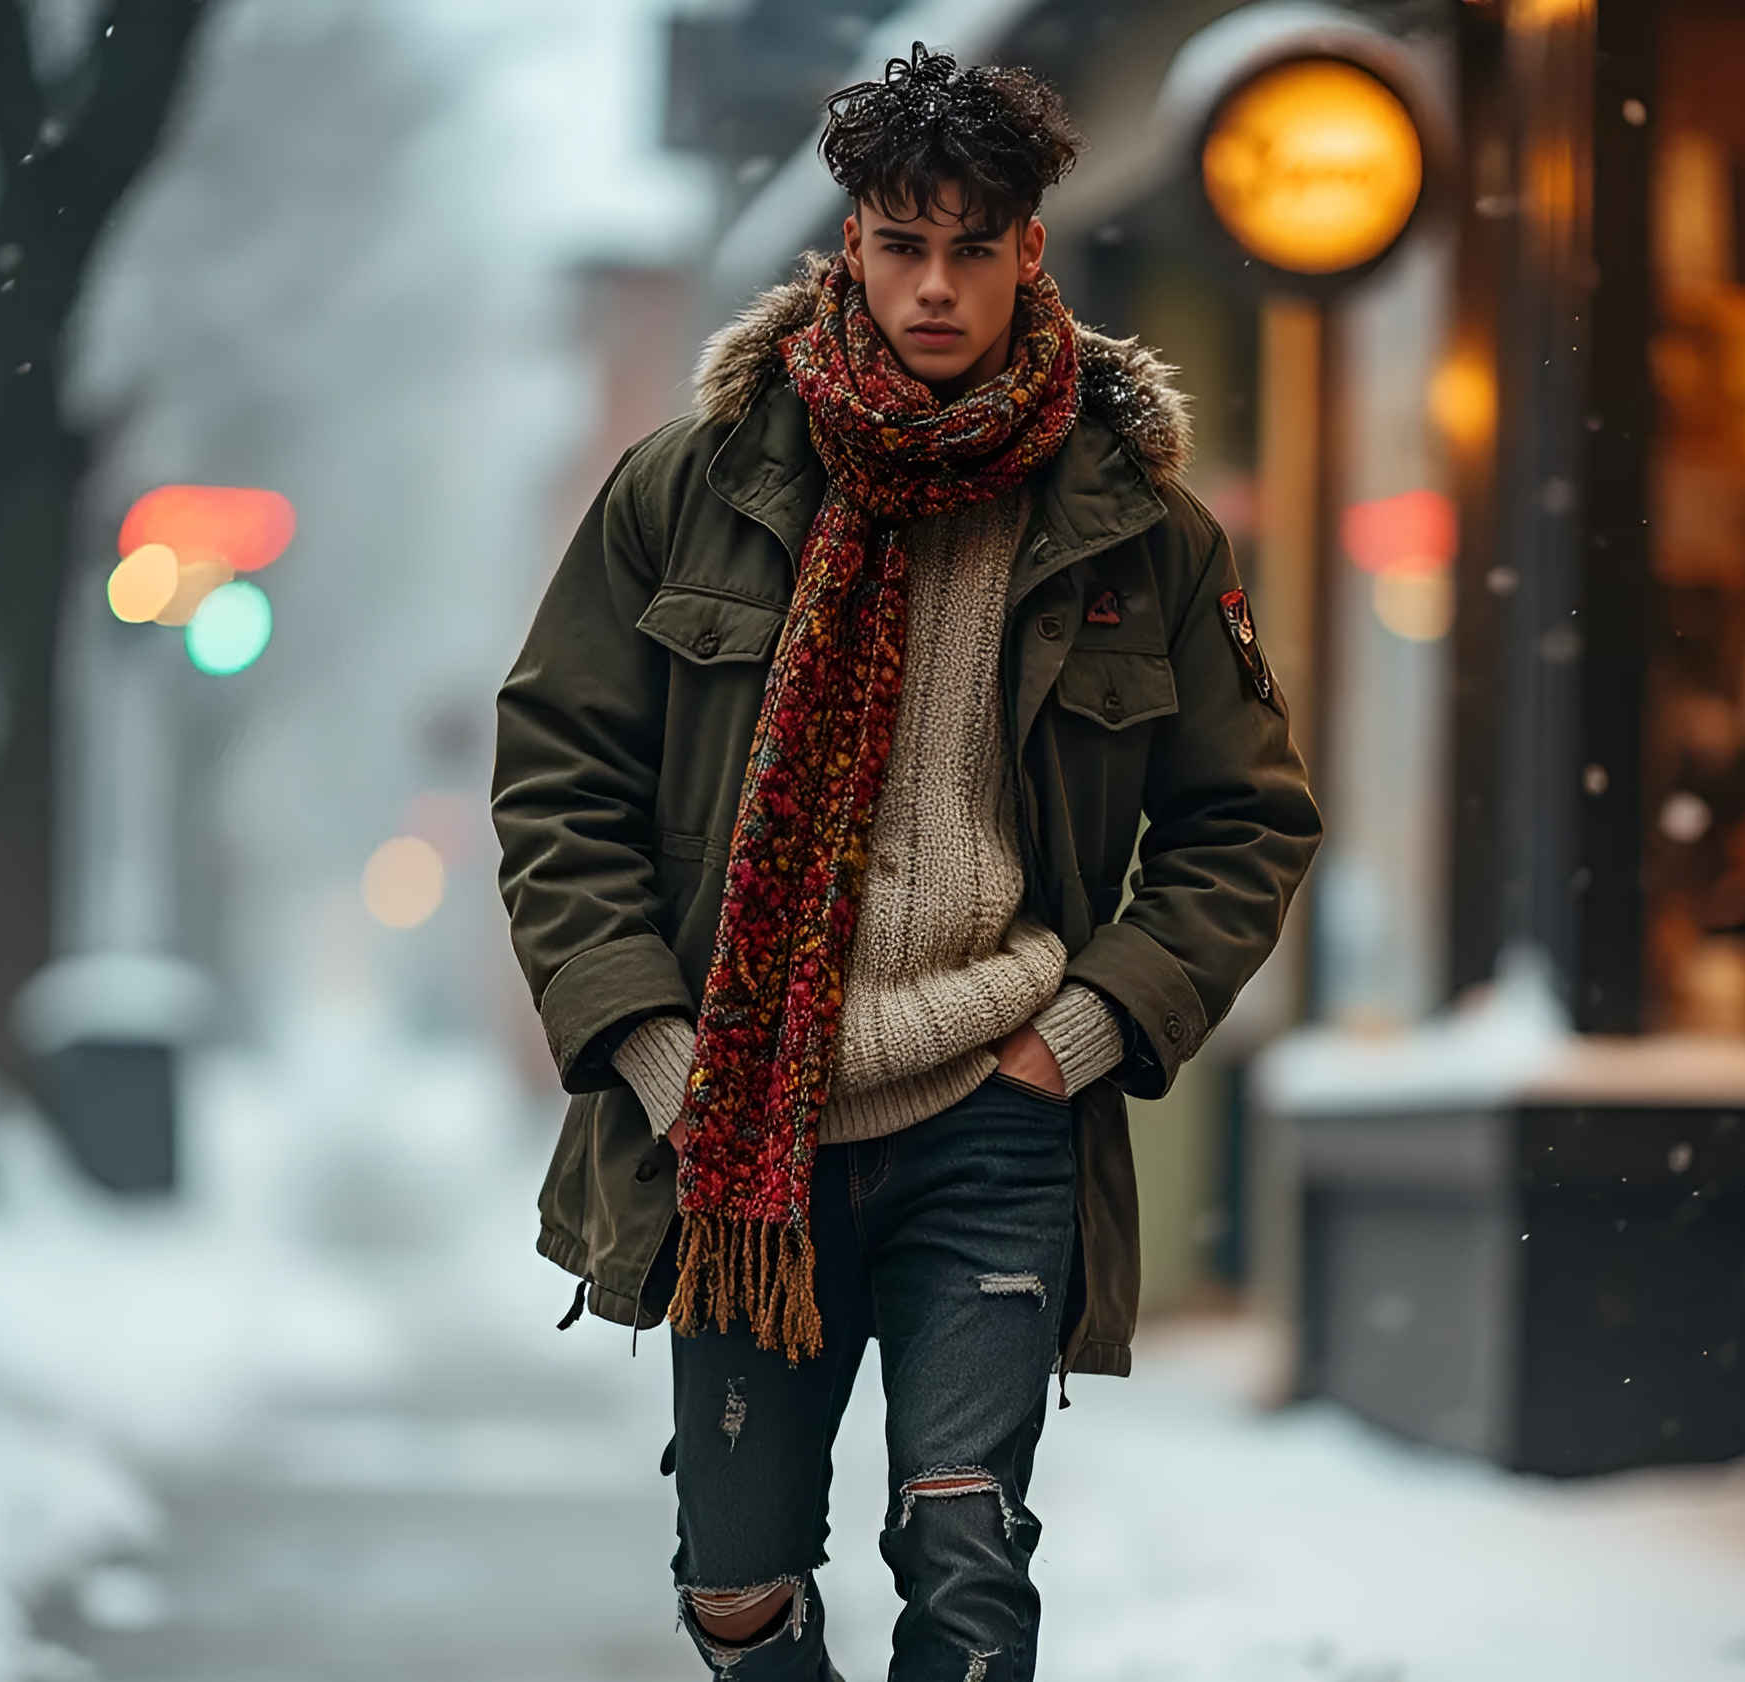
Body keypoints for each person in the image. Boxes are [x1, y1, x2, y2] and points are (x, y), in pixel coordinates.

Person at [492, 43, 1320, 1682]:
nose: (936, 285)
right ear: (849, 246)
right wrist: (663, 1048)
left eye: (973, 244)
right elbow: (559, 778)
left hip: (993, 1122)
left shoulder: (1140, 529)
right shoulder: (697, 484)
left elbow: (1247, 820)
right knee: (737, 1589)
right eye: (900, 242)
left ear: (1031, 249)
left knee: (965, 1549)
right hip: (748, 1126)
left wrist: (1073, 1035)